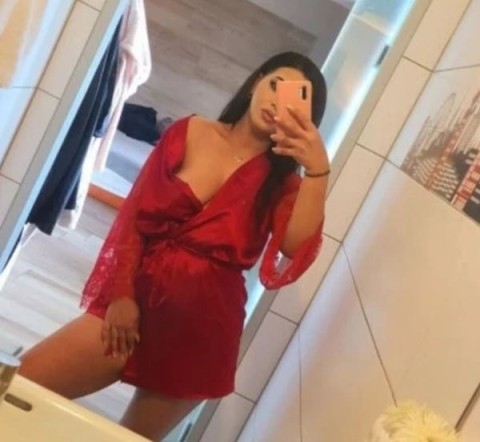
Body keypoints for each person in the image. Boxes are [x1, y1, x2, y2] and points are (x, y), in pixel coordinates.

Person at [19, 51, 330, 441]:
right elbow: (136, 217)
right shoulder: (190, 132)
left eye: (294, 100)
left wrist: (318, 170)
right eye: (274, 86)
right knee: (20, 387)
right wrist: (121, 296)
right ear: (256, 82)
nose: (276, 102)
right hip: (134, 302)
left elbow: (297, 247)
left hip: (202, 334)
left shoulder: (282, 183)